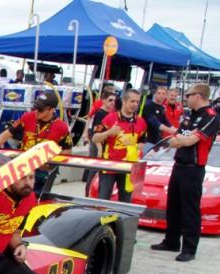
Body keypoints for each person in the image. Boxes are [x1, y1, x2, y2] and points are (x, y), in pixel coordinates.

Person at [150, 83, 219, 262]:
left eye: (188, 95)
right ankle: (171, 241)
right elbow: (175, 140)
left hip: (194, 168)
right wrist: (183, 139)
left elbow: (190, 141)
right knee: (173, 206)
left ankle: (189, 248)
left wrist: (184, 139)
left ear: (199, 96)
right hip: (179, 165)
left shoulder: (211, 116)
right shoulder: (189, 115)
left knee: (190, 209)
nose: (185, 98)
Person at [0, 91, 72, 196]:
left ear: (51, 110)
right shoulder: (27, 117)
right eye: (35, 108)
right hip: (23, 167)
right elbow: (7, 134)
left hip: (44, 172)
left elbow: (67, 150)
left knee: (37, 201)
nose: (36, 111)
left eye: (40, 110)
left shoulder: (62, 127)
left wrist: (51, 163)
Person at [91, 89, 147, 203]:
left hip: (129, 167)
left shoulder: (141, 122)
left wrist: (136, 146)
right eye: (132, 101)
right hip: (109, 166)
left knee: (126, 201)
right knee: (103, 200)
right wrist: (108, 132)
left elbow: (142, 141)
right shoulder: (110, 118)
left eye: (137, 102)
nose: (135, 104)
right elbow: (94, 138)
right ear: (124, 101)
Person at [82, 90, 116, 194]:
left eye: (114, 100)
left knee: (98, 171)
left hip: (103, 144)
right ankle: (88, 193)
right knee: (94, 170)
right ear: (104, 101)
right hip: (97, 144)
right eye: (110, 100)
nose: (113, 102)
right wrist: (99, 148)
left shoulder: (109, 113)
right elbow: (94, 131)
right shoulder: (100, 113)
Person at [141, 86, 177, 153]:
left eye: (163, 94)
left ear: (166, 95)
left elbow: (166, 122)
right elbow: (155, 123)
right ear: (155, 94)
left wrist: (177, 130)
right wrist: (170, 131)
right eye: (159, 93)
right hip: (147, 141)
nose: (161, 95)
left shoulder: (162, 108)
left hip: (157, 141)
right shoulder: (148, 106)